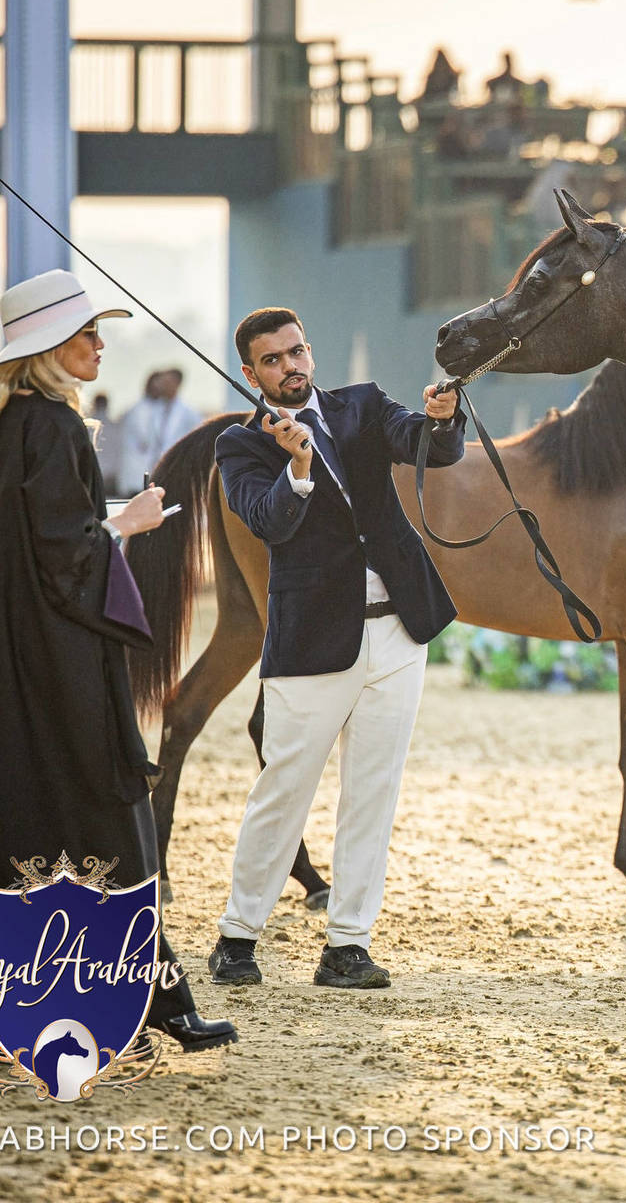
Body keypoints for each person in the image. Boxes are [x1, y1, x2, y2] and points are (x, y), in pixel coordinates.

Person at [0, 269, 234, 1055]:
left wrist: (103, 527)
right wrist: (125, 525)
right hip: (56, 667)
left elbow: (20, 552)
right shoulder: (57, 429)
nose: (102, 344)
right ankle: (154, 1005)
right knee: (111, 817)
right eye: (89, 332)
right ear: (52, 347)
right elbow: (66, 563)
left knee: (9, 823)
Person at [207, 307, 466, 990]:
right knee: (284, 788)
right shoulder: (240, 447)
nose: (289, 366)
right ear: (251, 373)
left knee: (373, 792)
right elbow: (267, 521)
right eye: (273, 359)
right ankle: (237, 938)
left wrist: (441, 416)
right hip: (312, 637)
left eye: (296, 352)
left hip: (399, 630)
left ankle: (348, 945)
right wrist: (295, 470)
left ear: (310, 352)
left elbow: (431, 449)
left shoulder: (364, 406)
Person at [116, 367, 201, 480]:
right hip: (153, 470)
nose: (162, 386)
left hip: (177, 470)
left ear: (177, 384)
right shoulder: (152, 410)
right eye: (162, 382)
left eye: (167, 382)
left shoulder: (189, 414)